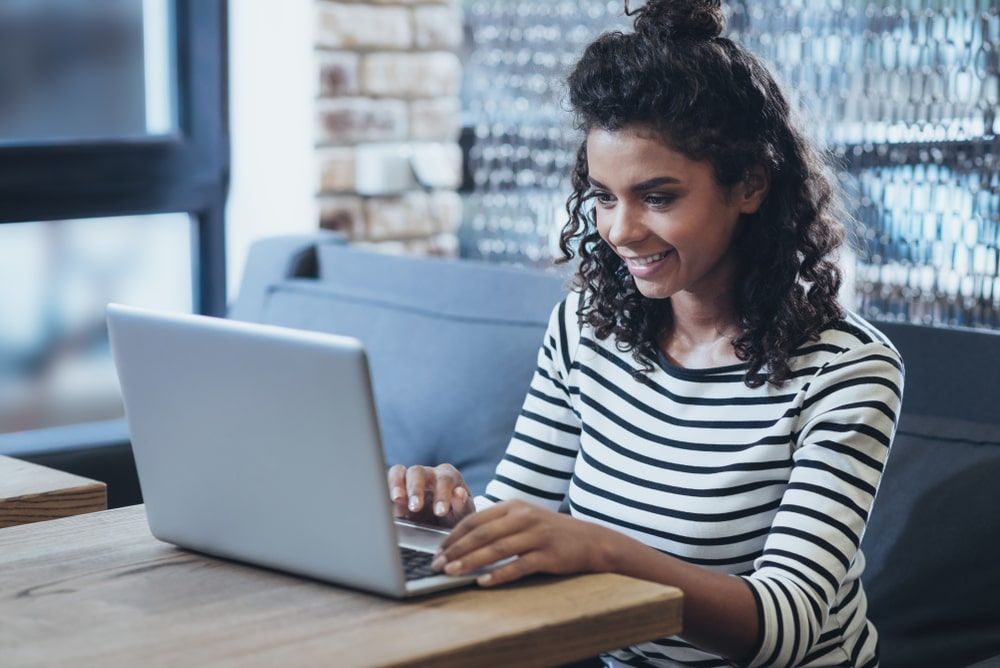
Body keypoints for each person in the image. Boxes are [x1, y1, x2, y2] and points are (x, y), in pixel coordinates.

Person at [388, 0, 904, 666]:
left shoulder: (847, 372)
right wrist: (450, 524)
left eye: (658, 197)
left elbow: (786, 625)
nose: (620, 230)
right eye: (603, 196)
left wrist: (600, 548)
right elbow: (521, 516)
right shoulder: (586, 329)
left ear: (750, 185)